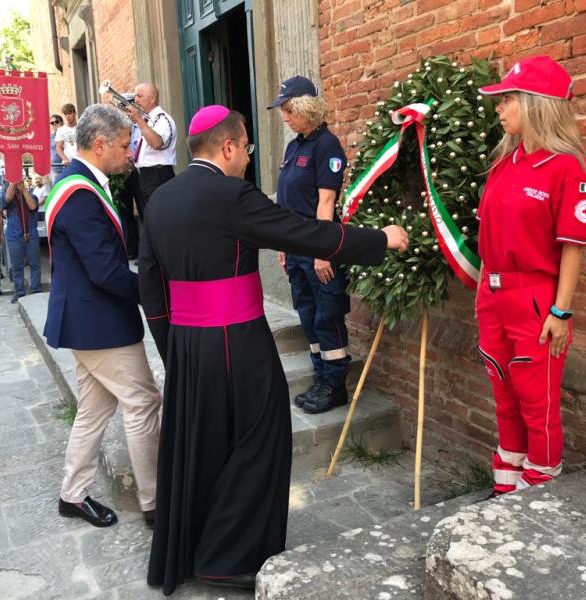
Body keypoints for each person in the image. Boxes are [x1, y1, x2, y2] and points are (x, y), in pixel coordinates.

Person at [139, 105, 408, 595]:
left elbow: (151, 289)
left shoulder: (159, 198)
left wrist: (174, 348)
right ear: (227, 147)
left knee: (205, 443)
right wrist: (380, 239)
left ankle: (197, 547)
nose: (248, 156)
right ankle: (227, 559)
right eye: (245, 146)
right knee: (261, 438)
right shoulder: (232, 195)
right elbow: (307, 232)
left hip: (187, 343)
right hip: (237, 339)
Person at [475, 56, 586, 496]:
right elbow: (488, 233)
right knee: (504, 396)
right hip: (493, 294)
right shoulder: (504, 162)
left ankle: (539, 491)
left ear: (536, 103)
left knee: (537, 403)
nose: (500, 107)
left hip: (535, 299)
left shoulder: (569, 166)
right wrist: (483, 291)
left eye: (508, 99)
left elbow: (572, 245)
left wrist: (561, 311)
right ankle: (506, 488)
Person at [44, 103, 161, 530]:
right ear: (99, 144)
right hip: (99, 324)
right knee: (144, 402)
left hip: (89, 320)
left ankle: (72, 495)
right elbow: (107, 271)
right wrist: (157, 294)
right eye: (125, 145)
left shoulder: (80, 184)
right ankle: (156, 501)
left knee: (94, 410)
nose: (130, 153)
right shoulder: (79, 194)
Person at [268, 76, 355, 414]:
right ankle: (320, 378)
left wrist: (323, 251)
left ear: (307, 108)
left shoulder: (326, 145)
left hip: (318, 248)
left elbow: (327, 201)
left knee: (326, 316)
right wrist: (282, 244)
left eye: (290, 110)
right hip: (295, 247)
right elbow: (288, 200)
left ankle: (335, 385)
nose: (285, 117)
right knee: (307, 314)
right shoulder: (295, 146)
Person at [128, 82, 176, 206]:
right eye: (135, 96)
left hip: (158, 175)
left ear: (152, 99)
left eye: (139, 96)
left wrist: (139, 120)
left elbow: (156, 143)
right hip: (147, 175)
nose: (135, 100)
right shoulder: (148, 120)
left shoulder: (162, 118)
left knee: (159, 212)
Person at [4, 179, 41, 303]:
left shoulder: (32, 196)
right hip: (14, 235)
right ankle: (20, 292)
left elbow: (33, 206)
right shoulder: (8, 196)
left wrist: (24, 191)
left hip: (31, 234)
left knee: (34, 264)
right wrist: (13, 182)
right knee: (17, 266)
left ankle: (36, 290)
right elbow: (7, 199)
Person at [55, 103, 78, 171]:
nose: (67, 116)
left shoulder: (82, 127)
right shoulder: (61, 130)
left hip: (81, 164)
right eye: (65, 114)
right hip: (68, 165)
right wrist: (65, 159)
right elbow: (58, 148)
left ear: (75, 113)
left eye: (69, 113)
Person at [49, 113, 65, 188]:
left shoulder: (66, 134)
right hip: (54, 169)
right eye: (52, 123)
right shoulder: (50, 137)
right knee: (56, 189)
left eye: (56, 121)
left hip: (65, 167)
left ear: (62, 122)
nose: (54, 124)